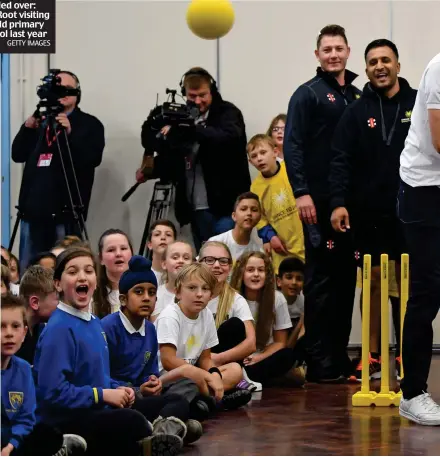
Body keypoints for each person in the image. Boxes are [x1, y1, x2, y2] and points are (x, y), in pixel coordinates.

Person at [328, 39, 417, 381]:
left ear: (397, 65)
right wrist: (338, 203)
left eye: (386, 60)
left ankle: (409, 354)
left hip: (412, 211)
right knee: (375, 284)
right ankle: (374, 356)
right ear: (365, 69)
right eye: (373, 62)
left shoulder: (418, 102)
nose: (380, 66)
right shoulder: (356, 110)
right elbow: (340, 161)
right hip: (368, 215)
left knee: (408, 285)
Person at [283, 24, 361, 382]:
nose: (333, 54)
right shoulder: (307, 94)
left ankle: (338, 356)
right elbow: (293, 145)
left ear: (347, 52)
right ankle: (318, 360)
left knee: (346, 280)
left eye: (338, 49)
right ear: (317, 55)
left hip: (348, 204)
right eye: (326, 49)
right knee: (322, 281)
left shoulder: (357, 96)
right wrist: (301, 192)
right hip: (317, 202)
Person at [33, 247, 154, 455]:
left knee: (153, 404)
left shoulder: (94, 322)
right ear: (58, 284)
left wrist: (119, 389)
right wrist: (103, 394)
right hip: (67, 419)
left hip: (95, 408)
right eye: (72, 272)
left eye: (89, 271)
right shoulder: (59, 328)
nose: (82, 276)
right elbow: (52, 392)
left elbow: (98, 378)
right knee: (133, 421)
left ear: (96, 281)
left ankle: (146, 441)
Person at [138, 67, 251, 252]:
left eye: (202, 95)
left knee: (225, 256)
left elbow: (228, 137)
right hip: (193, 205)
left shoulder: (228, 113)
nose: (198, 101)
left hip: (226, 204)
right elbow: (154, 139)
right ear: (184, 93)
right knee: (203, 258)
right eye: (192, 96)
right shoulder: (181, 115)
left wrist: (191, 129)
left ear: (212, 91)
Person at [101, 256, 203, 452]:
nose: (146, 297)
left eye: (152, 292)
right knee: (181, 403)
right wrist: (138, 391)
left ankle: (161, 432)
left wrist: (153, 383)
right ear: (123, 299)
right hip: (120, 397)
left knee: (187, 385)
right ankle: (173, 428)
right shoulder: (107, 328)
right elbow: (101, 376)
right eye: (138, 292)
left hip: (141, 394)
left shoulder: (150, 329)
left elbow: (150, 372)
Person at [11, 71, 105, 273]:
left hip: (66, 212)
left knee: (66, 269)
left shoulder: (90, 124)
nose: (59, 94)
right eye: (55, 90)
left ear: (76, 94)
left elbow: (92, 159)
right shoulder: (39, 122)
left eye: (65, 90)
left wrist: (70, 134)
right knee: (30, 272)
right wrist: (27, 129)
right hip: (32, 211)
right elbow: (17, 154)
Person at [397, 52, 440, 425]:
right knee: (427, 291)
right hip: (424, 188)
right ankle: (412, 393)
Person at [155, 263, 252, 412]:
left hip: (193, 373)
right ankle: (213, 401)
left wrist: (214, 375)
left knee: (235, 370)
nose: (199, 294)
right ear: (178, 292)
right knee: (191, 383)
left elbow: (205, 358)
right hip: (169, 376)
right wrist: (201, 375)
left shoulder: (206, 315)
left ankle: (207, 399)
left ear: (211, 295)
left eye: (205, 289)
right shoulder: (170, 316)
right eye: (192, 288)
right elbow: (168, 361)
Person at [1, 293, 86, 456]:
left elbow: (26, 418)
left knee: (47, 433)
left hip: (13, 442)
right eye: (1, 326)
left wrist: (11, 446)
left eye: (15, 326)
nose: (9, 333)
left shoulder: (24, 369)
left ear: (24, 332)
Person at [230, 252, 299, 387]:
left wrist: (258, 357)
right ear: (241, 273)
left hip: (262, 357)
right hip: (237, 359)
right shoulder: (232, 298)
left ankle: (246, 379)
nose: (256, 274)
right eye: (250, 270)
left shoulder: (277, 298)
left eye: (261, 270)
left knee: (287, 355)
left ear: (267, 275)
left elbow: (280, 343)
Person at [248, 134, 305, 274]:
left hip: (305, 241)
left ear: (275, 152)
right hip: (282, 248)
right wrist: (270, 237)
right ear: (250, 162)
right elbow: (259, 218)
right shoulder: (255, 188)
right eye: (254, 156)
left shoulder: (291, 170)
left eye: (263, 152)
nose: (259, 158)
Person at [15, 266, 59, 365]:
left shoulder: (40, 330)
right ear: (35, 302)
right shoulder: (12, 336)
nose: (64, 305)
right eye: (58, 299)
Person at [208, 192, 263, 264]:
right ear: (234, 216)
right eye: (243, 209)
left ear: (260, 217)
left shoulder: (258, 251)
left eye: (254, 210)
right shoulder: (216, 242)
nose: (249, 213)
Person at [93, 229, 133, 318]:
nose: (118, 254)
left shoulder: (143, 289)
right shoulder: (91, 294)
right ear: (101, 258)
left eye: (123, 248)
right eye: (111, 250)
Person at [150, 241, 195, 322]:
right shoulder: (155, 295)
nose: (181, 261)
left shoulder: (198, 294)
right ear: (164, 264)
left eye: (186, 258)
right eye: (175, 257)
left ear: (193, 264)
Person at [147, 220, 178, 284]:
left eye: (168, 235)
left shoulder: (183, 276)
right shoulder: (140, 275)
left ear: (175, 243)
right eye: (157, 234)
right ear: (149, 244)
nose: (163, 237)